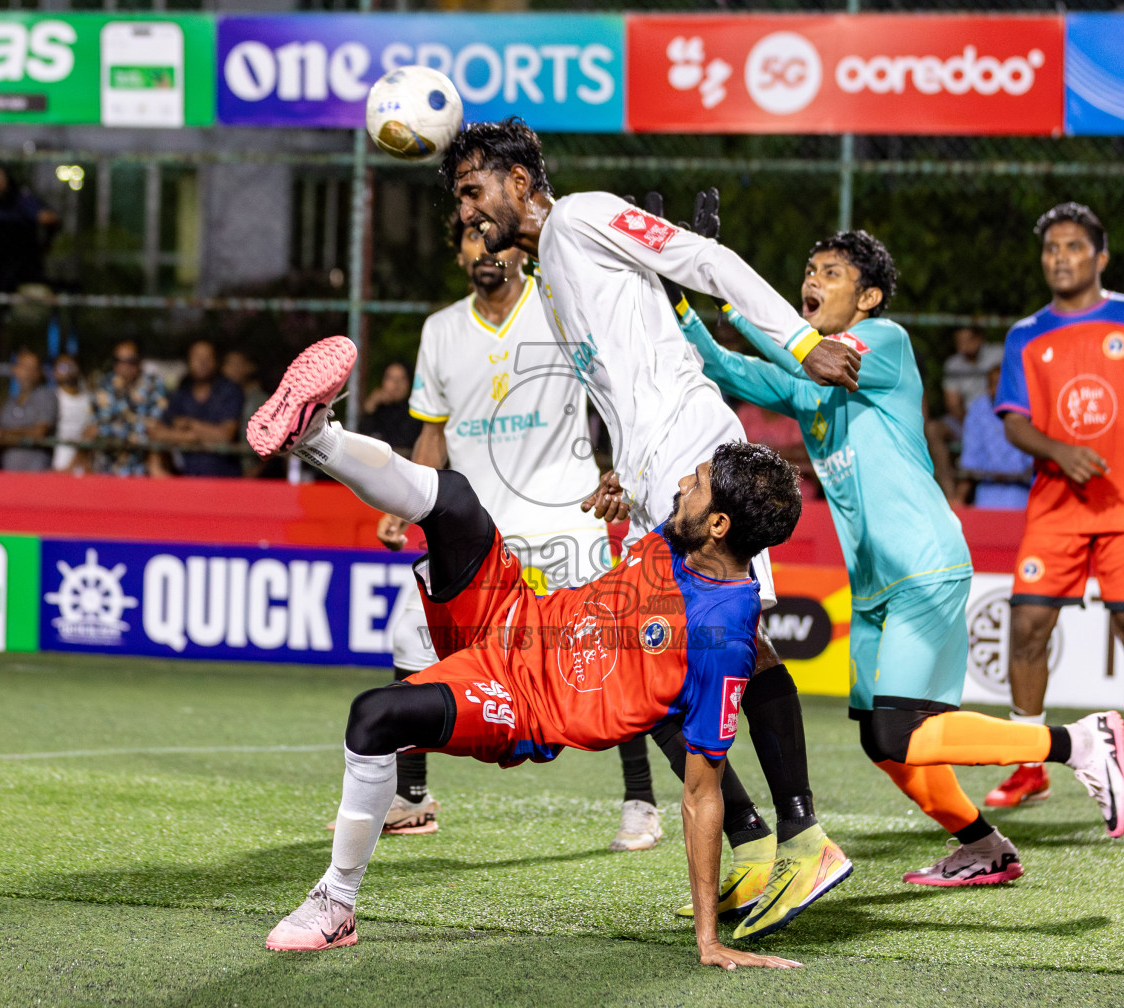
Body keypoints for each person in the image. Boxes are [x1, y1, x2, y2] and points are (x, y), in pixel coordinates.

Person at [249, 335, 805, 970]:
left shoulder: (722, 636)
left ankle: (335, 904)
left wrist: (708, 940)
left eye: (698, 483)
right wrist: (622, 491)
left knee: (376, 717)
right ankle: (315, 434)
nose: (685, 482)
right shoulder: (686, 537)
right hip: (513, 613)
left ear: (720, 527)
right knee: (454, 499)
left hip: (520, 704)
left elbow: (703, 793)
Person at [436, 120, 863, 940]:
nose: (467, 213)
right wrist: (619, 475)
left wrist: (800, 341)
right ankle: (752, 843)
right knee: (649, 677)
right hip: (653, 480)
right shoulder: (550, 274)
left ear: (520, 181)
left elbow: (707, 262)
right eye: (459, 199)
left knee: (698, 655)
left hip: (694, 456)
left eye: (473, 192)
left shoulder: (586, 215)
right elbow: (615, 382)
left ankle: (800, 837)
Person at [677, 227, 1124, 890]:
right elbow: (727, 367)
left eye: (830, 272)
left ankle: (1078, 742)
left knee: (901, 732)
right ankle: (983, 848)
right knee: (880, 740)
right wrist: (685, 299)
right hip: (872, 588)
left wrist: (734, 293)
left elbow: (796, 348)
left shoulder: (881, 344)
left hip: (924, 563)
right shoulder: (812, 385)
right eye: (810, 267)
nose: (813, 279)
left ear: (868, 296)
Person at [369, 214, 654, 851]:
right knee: (408, 639)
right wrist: (408, 499)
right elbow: (433, 432)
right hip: (475, 530)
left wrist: (624, 470)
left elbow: (618, 394)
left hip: (564, 516)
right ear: (460, 252)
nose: (484, 248)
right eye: (471, 238)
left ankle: (641, 800)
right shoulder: (439, 330)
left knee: (604, 659)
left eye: (493, 236)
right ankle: (412, 797)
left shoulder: (559, 308)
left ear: (518, 249)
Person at [987, 202, 1124, 819]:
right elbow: (1014, 421)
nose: (1061, 258)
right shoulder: (1025, 334)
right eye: (1051, 248)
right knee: (1028, 628)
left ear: (1100, 257)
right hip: (1056, 510)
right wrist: (1058, 449)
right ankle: (1029, 767)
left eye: (1074, 247)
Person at [153, 341, 243, 478]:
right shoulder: (182, 392)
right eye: (197, 357)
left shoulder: (229, 391)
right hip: (187, 478)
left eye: (207, 358)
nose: (202, 362)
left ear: (216, 361)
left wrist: (190, 425)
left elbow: (224, 436)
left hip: (224, 478)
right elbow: (157, 431)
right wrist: (189, 437)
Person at [88, 339, 168, 477]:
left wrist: (113, 428)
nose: (124, 365)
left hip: (142, 469)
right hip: (106, 468)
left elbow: (156, 427)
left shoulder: (153, 384)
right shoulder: (104, 385)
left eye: (130, 360)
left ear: (140, 362)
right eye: (118, 360)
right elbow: (93, 428)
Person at [958, 364, 1032, 509]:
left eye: (1001, 385)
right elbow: (971, 459)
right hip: (987, 492)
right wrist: (959, 498)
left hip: (1022, 494)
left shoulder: (1028, 408)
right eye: (992, 384)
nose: (997, 390)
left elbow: (1032, 462)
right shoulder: (978, 408)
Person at [0, 349, 57, 473]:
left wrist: (3, 434)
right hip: (8, 477)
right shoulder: (8, 403)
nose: (28, 373)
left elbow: (39, 433)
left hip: (35, 477)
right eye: (24, 367)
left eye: (32, 368)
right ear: (15, 369)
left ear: (40, 372)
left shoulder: (45, 396)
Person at [942, 325, 1004, 427]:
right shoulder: (952, 365)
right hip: (966, 417)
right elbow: (953, 405)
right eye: (959, 341)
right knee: (933, 429)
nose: (964, 346)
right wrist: (972, 421)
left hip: (998, 413)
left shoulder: (999, 354)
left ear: (979, 338)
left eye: (968, 340)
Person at [223, 349, 268, 478]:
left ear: (250, 367)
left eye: (235, 364)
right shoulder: (225, 398)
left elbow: (274, 443)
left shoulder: (260, 400)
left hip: (255, 476)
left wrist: (253, 473)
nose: (229, 369)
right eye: (227, 364)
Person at [358, 361, 423, 451]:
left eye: (402, 379)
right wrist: (369, 409)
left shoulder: (416, 412)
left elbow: (402, 442)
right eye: (390, 378)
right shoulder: (377, 409)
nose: (396, 384)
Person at [51, 354, 92, 473]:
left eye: (72, 366)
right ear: (55, 371)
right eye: (63, 367)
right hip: (56, 466)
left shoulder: (89, 400)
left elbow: (90, 432)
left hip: (82, 466)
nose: (68, 371)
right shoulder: (51, 398)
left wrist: (74, 463)